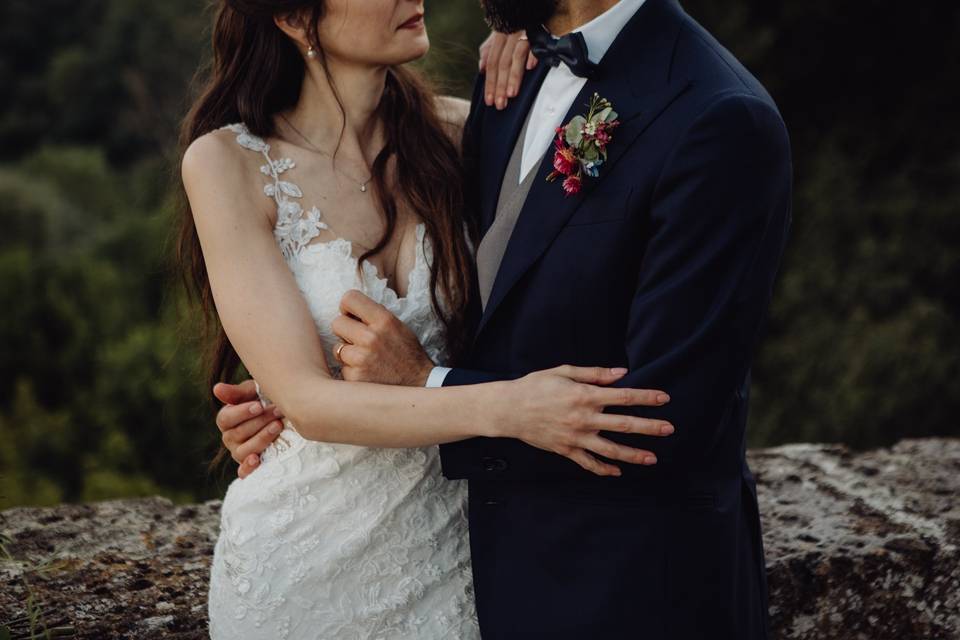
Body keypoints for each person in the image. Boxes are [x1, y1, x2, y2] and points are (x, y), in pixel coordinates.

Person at [219, 0, 793, 638]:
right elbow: (506, 304)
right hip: (370, 560)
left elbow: (665, 413)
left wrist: (429, 384)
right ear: (294, 17)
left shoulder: (717, 116)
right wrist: (289, 398)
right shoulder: (507, 94)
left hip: (624, 586)